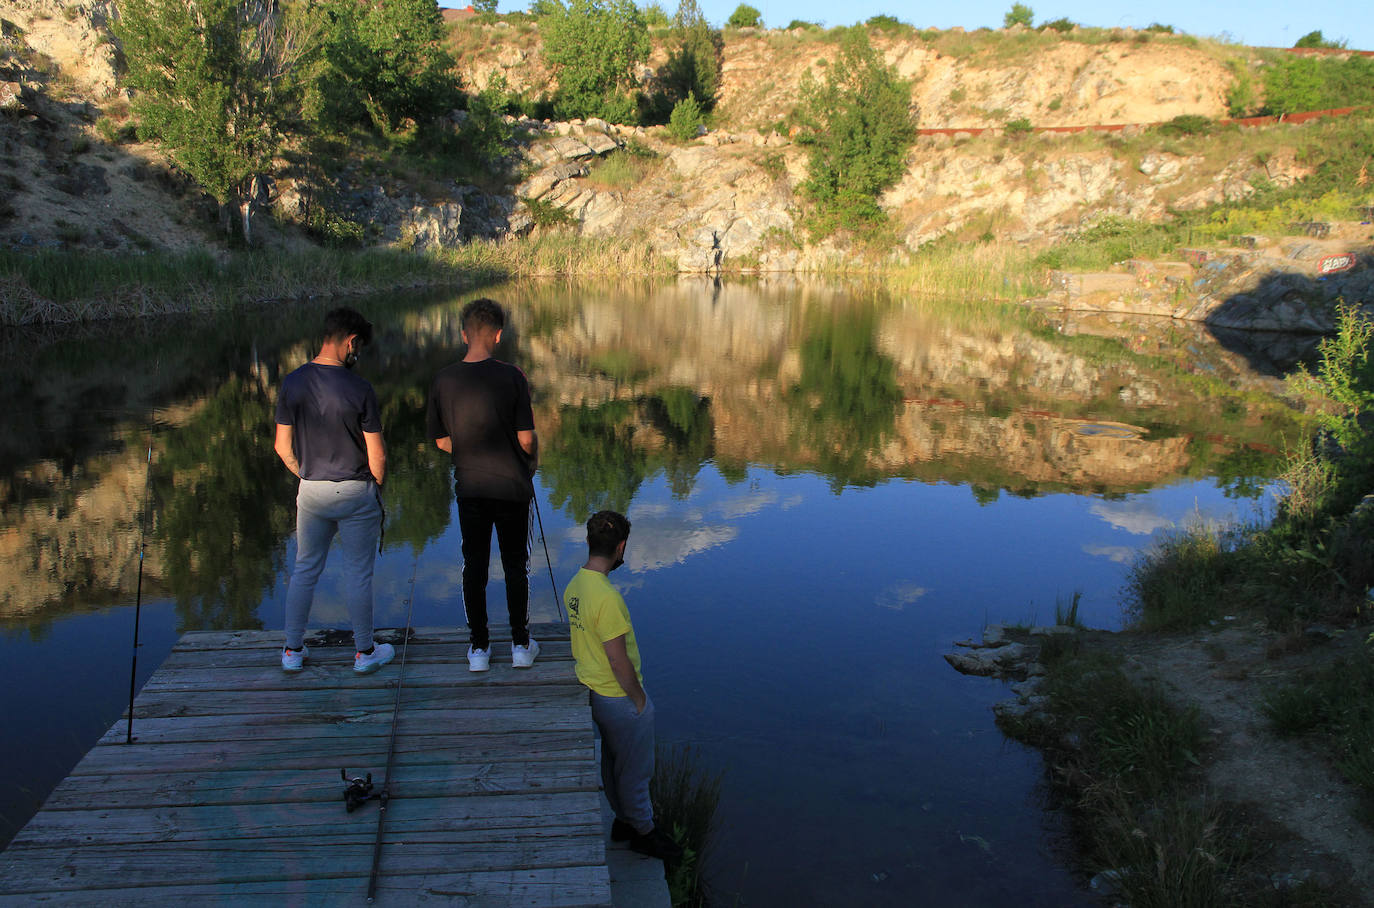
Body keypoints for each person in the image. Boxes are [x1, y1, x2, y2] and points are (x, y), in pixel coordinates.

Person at [273, 307, 396, 675]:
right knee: (358, 573)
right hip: (356, 491)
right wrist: (376, 488)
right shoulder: (359, 388)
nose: (358, 355)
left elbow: (282, 447)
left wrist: (306, 475)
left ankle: (292, 651)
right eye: (358, 348)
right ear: (350, 341)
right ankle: (364, 653)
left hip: (311, 491)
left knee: (305, 569)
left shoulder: (292, 383)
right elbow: (378, 454)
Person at [426, 298, 540, 672]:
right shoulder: (513, 376)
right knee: (514, 566)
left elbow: (441, 441)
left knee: (473, 564)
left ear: (463, 334)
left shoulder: (443, 379)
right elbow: (526, 439)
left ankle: (478, 649)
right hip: (511, 487)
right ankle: (521, 646)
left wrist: (470, 449)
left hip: (470, 487)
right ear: (498, 334)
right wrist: (530, 461)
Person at [565, 510, 683, 862]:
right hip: (619, 699)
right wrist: (640, 701)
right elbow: (618, 661)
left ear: (588, 543)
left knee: (612, 763)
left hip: (594, 693)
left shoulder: (576, 585)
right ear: (621, 547)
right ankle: (644, 832)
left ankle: (622, 821)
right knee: (635, 771)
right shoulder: (608, 599)